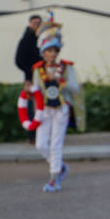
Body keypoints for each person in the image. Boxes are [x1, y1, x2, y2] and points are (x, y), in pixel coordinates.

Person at [30, 12, 79, 192]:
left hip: (61, 108)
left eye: (54, 50)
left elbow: (76, 88)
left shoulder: (66, 68)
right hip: (44, 110)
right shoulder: (38, 70)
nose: (52, 54)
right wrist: (29, 92)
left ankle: (54, 178)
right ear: (43, 52)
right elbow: (36, 90)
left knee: (56, 144)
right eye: (48, 50)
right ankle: (61, 167)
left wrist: (61, 82)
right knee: (41, 144)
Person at [15, 14, 43, 144]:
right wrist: (30, 72)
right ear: (30, 24)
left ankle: (43, 133)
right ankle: (33, 135)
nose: (36, 25)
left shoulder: (42, 38)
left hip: (43, 77)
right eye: (34, 23)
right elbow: (19, 61)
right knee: (32, 107)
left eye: (38, 23)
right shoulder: (25, 40)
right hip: (31, 78)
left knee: (43, 105)